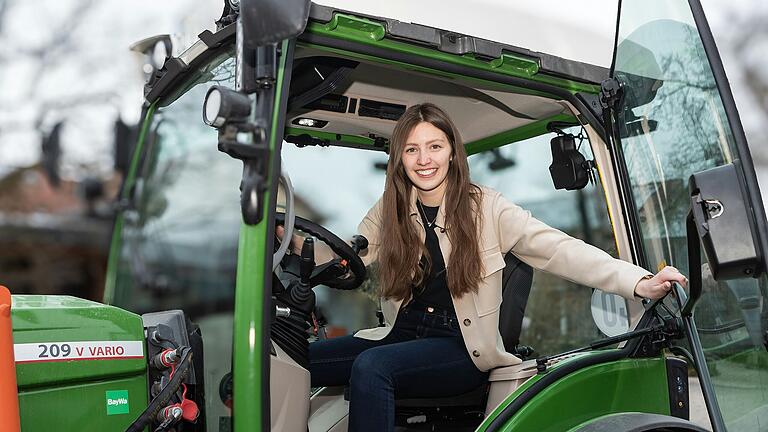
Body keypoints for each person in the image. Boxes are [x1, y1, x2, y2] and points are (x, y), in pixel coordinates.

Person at [279, 103, 686, 432]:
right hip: (399, 334)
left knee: (372, 368)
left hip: (460, 346)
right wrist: (292, 244)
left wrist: (639, 282)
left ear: (452, 151)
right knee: (289, 358)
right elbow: (350, 254)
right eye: (412, 149)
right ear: (399, 159)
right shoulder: (391, 209)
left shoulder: (487, 207)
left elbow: (559, 249)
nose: (424, 159)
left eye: (434, 146)